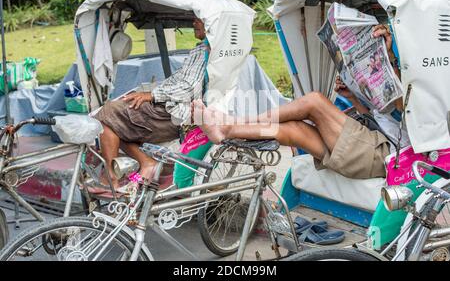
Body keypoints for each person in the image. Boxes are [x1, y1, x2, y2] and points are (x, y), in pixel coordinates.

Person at [193, 25, 406, 180]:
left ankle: (229, 123)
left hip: (388, 153)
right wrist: (351, 96)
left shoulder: (415, 84)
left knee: (314, 101)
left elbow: (400, 109)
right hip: (370, 139)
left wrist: (391, 58)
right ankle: (226, 131)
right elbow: (379, 116)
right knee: (293, 128)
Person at [91, 17, 210, 194]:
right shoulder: (201, 49)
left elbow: (188, 88)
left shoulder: (207, 51)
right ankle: (146, 163)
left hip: (177, 113)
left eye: (198, 20)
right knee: (111, 118)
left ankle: (112, 178)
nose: (194, 23)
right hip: (171, 106)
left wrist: (152, 95)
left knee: (108, 113)